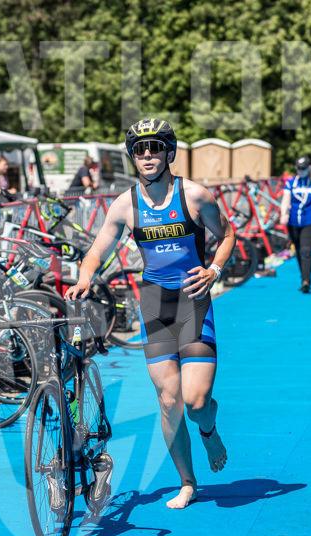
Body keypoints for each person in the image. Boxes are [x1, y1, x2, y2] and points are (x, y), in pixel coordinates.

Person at [64, 118, 235, 510]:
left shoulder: (194, 196)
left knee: (196, 401)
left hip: (193, 301)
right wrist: (86, 277)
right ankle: (187, 482)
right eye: (139, 150)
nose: (147, 156)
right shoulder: (126, 205)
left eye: (155, 148)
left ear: (168, 152)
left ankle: (209, 430)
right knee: (169, 401)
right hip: (156, 304)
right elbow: (98, 248)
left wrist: (214, 270)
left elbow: (227, 234)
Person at [280, 156, 311, 293]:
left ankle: (306, 281)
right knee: (299, 251)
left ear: (309, 168)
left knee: (306, 251)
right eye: (299, 168)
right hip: (293, 221)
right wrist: (283, 214)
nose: (301, 171)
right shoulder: (291, 183)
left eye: (304, 168)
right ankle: (304, 276)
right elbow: (285, 200)